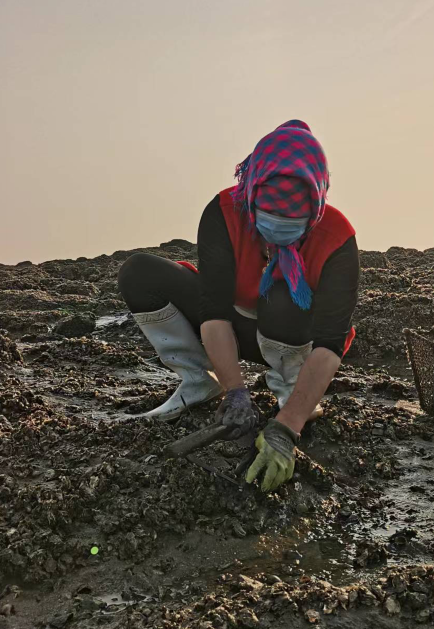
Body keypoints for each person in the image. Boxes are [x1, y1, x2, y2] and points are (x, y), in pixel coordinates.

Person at [117, 120, 359, 492]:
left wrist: (286, 429)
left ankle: (291, 395)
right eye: (268, 217)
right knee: (139, 273)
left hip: (298, 337)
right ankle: (199, 382)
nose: (277, 230)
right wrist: (235, 392)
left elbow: (330, 341)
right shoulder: (224, 211)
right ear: (252, 193)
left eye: (292, 222)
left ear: (316, 209)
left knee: (282, 294)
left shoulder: (337, 238)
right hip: (235, 323)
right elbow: (213, 310)